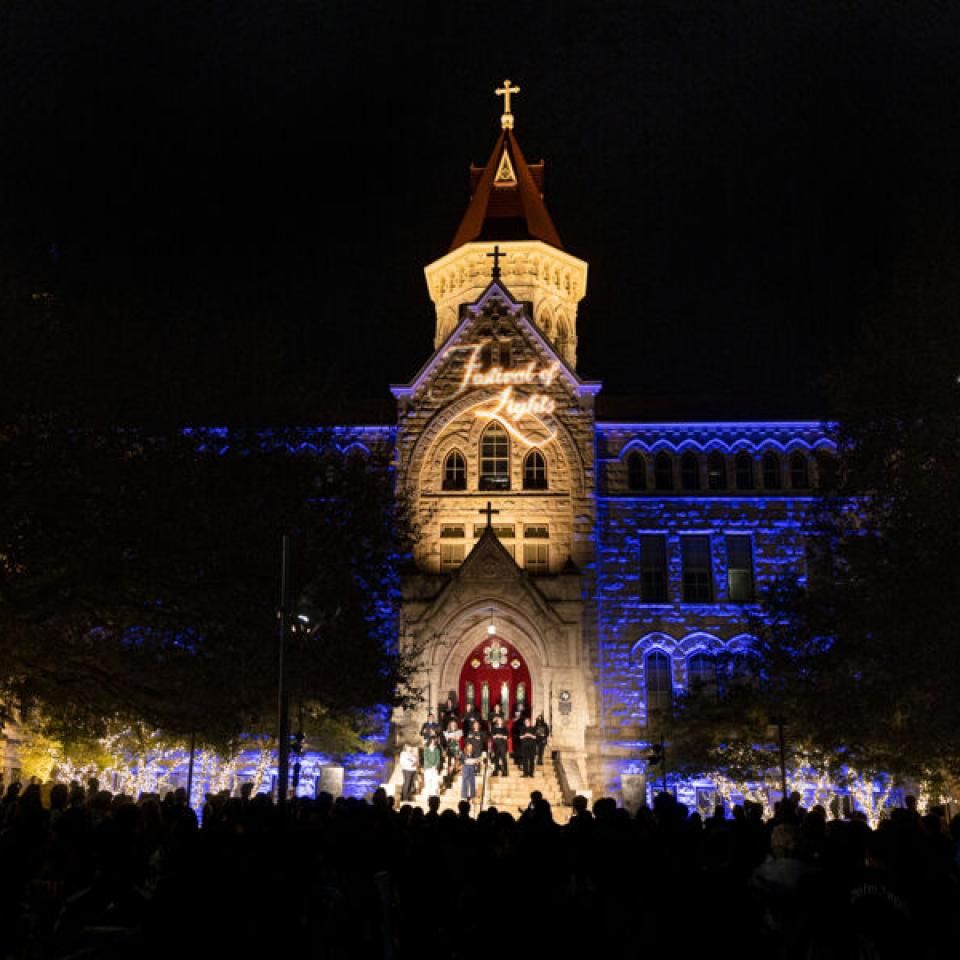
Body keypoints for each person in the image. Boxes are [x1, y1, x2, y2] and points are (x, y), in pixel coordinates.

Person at [443, 718, 462, 786]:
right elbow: (447, 739)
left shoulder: (459, 731)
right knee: (449, 765)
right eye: (452, 725)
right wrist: (450, 736)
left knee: (454, 764)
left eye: (454, 725)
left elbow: (458, 738)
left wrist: (452, 736)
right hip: (449, 750)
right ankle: (448, 779)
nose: (453, 726)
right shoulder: (447, 732)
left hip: (456, 750)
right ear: (450, 725)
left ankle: (450, 778)